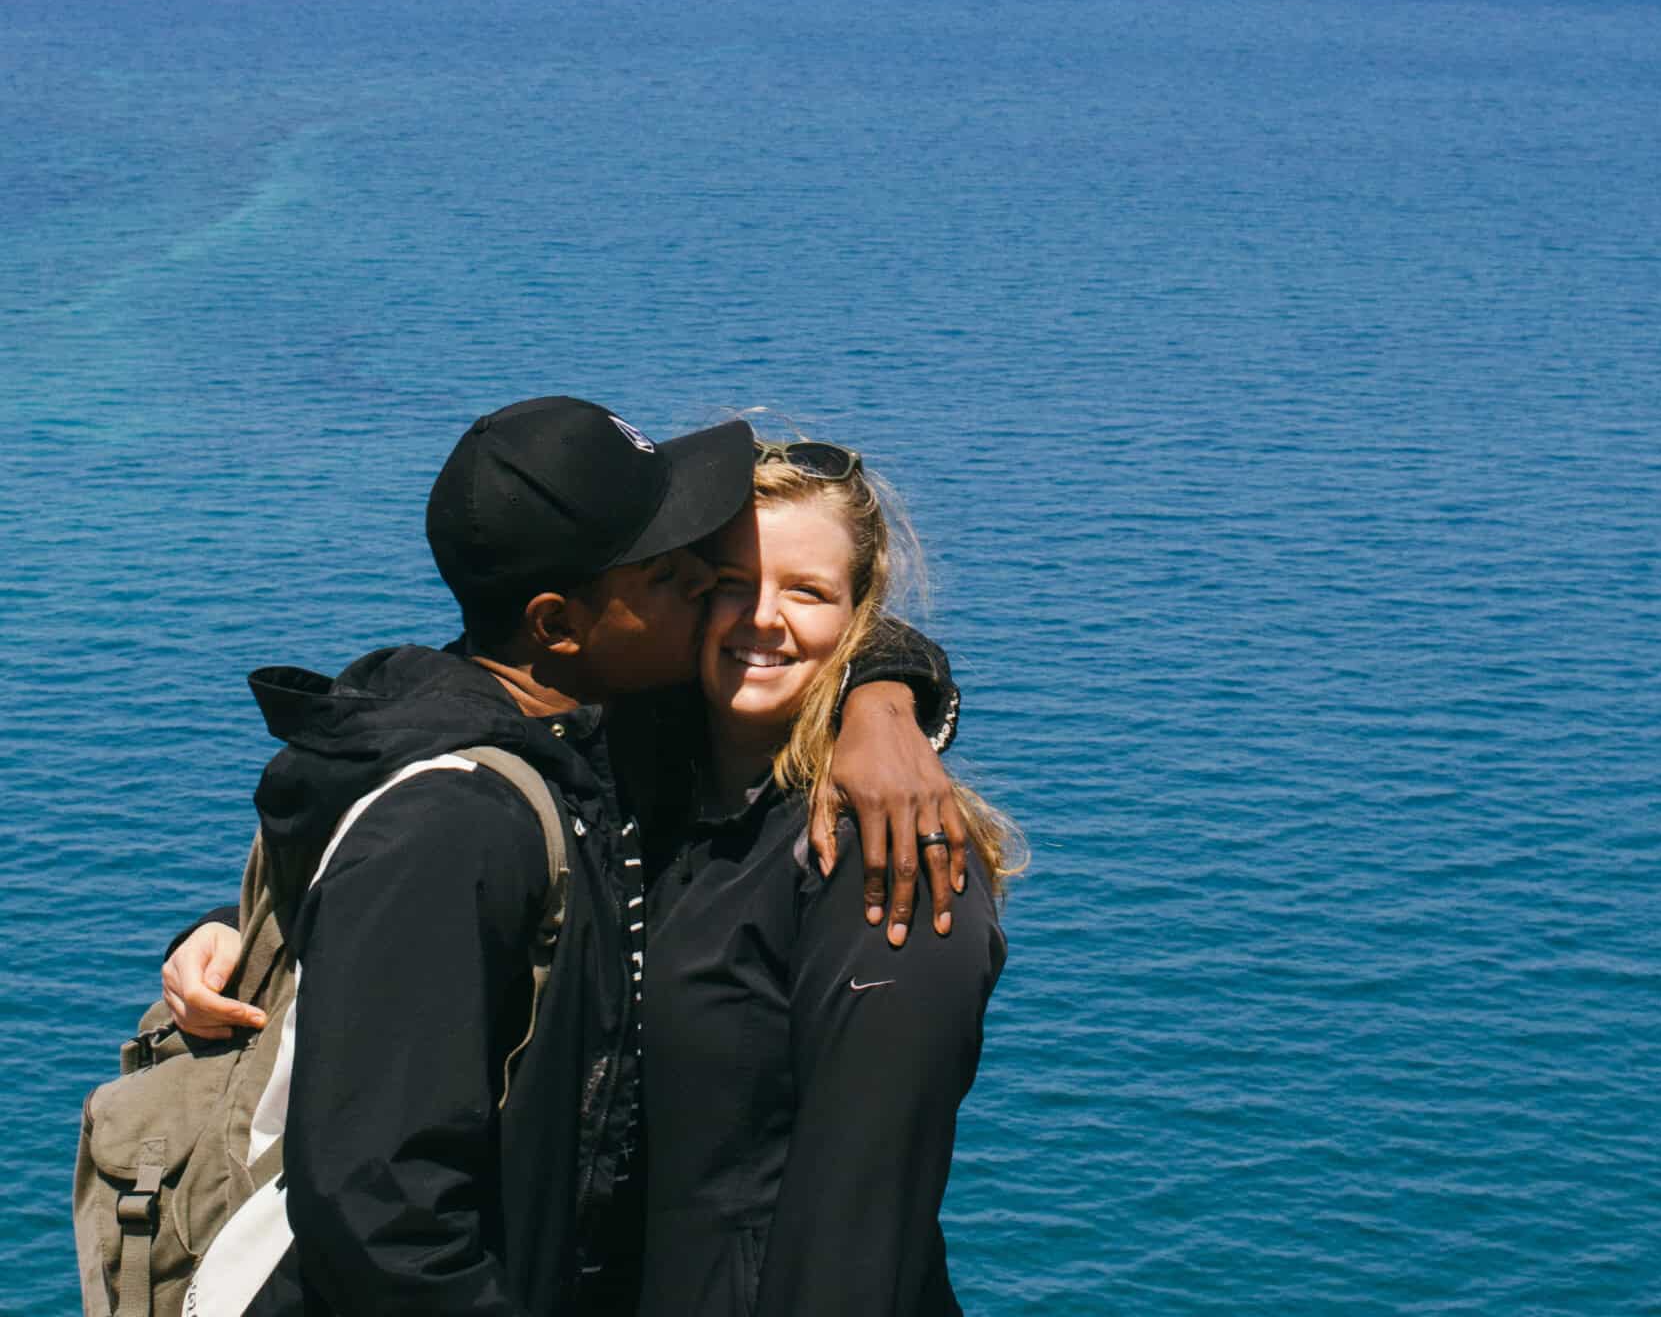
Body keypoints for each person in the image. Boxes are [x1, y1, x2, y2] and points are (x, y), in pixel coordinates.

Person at [158, 398, 964, 1317]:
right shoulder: (459, 818)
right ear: (556, 624)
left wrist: (884, 695)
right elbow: (383, 1215)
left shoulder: (602, 732)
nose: (712, 593)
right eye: (675, 577)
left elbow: (827, 613)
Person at [636, 438, 1017, 1317]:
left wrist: (884, 693)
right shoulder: (638, 789)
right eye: (729, 582)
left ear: (858, 617)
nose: (760, 617)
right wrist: (249, 922)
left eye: (806, 592)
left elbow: (862, 1216)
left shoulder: (889, 853)